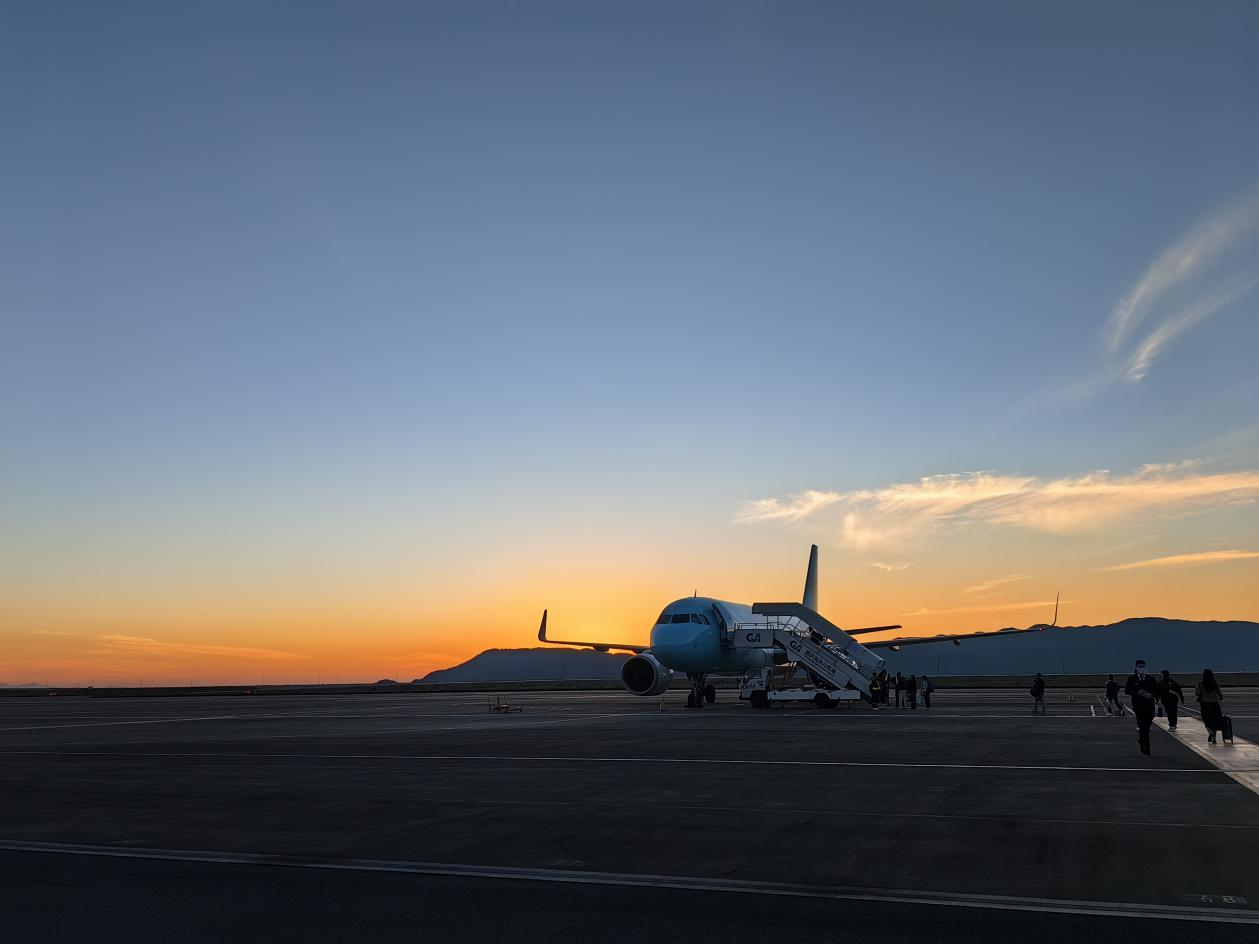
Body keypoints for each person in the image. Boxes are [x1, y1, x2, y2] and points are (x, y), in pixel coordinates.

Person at [1125, 659, 1160, 755]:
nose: (1142, 668)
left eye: (1143, 666)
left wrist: (1152, 696)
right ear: (1136, 668)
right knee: (1142, 725)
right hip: (1138, 705)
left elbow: (1157, 691)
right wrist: (1137, 692)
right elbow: (1127, 690)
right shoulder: (1132, 679)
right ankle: (1146, 746)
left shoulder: (1151, 679)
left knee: (1147, 726)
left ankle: (1142, 740)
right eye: (1140, 667)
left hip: (1149, 705)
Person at [1194, 669, 1226, 744]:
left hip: (1204, 704)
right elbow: (1220, 695)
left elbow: (1197, 693)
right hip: (1214, 704)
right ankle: (1214, 738)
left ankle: (1210, 732)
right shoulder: (1215, 683)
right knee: (1215, 721)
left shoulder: (1199, 683)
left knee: (1207, 721)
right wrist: (1218, 697)